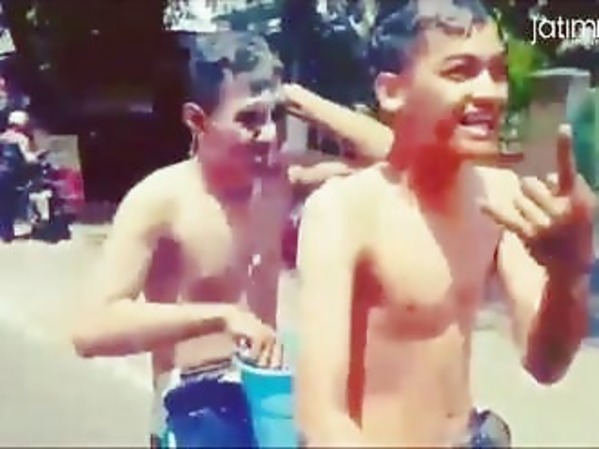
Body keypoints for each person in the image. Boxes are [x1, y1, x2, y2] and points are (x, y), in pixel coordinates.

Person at [295, 1, 595, 447]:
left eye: (497, 71)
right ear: (392, 92)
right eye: (461, 72)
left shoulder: (499, 195)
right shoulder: (344, 212)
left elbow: (545, 365)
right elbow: (321, 418)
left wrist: (570, 273)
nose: (491, 92)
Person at [71, 31, 289, 448]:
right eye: (249, 119)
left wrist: (292, 96)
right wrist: (221, 317)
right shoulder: (161, 199)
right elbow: (91, 329)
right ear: (197, 120)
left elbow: (387, 154)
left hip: (266, 397)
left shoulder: (279, 182)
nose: (269, 135)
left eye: (275, 116)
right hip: (192, 408)